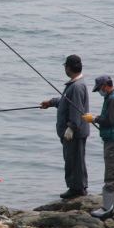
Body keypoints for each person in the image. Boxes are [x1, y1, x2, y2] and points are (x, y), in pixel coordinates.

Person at [40, 55, 90, 198]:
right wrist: (50, 102)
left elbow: (77, 110)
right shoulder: (75, 84)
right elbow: (66, 101)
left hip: (74, 132)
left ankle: (77, 189)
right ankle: (77, 187)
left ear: (68, 68)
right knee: (73, 159)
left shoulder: (76, 86)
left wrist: (71, 128)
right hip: (75, 131)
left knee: (74, 161)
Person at [83, 75, 114, 219]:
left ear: (104, 85)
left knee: (112, 173)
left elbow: (109, 121)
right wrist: (97, 116)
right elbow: (112, 117)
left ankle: (107, 208)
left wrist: (94, 119)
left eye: (99, 88)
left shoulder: (112, 98)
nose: (99, 91)